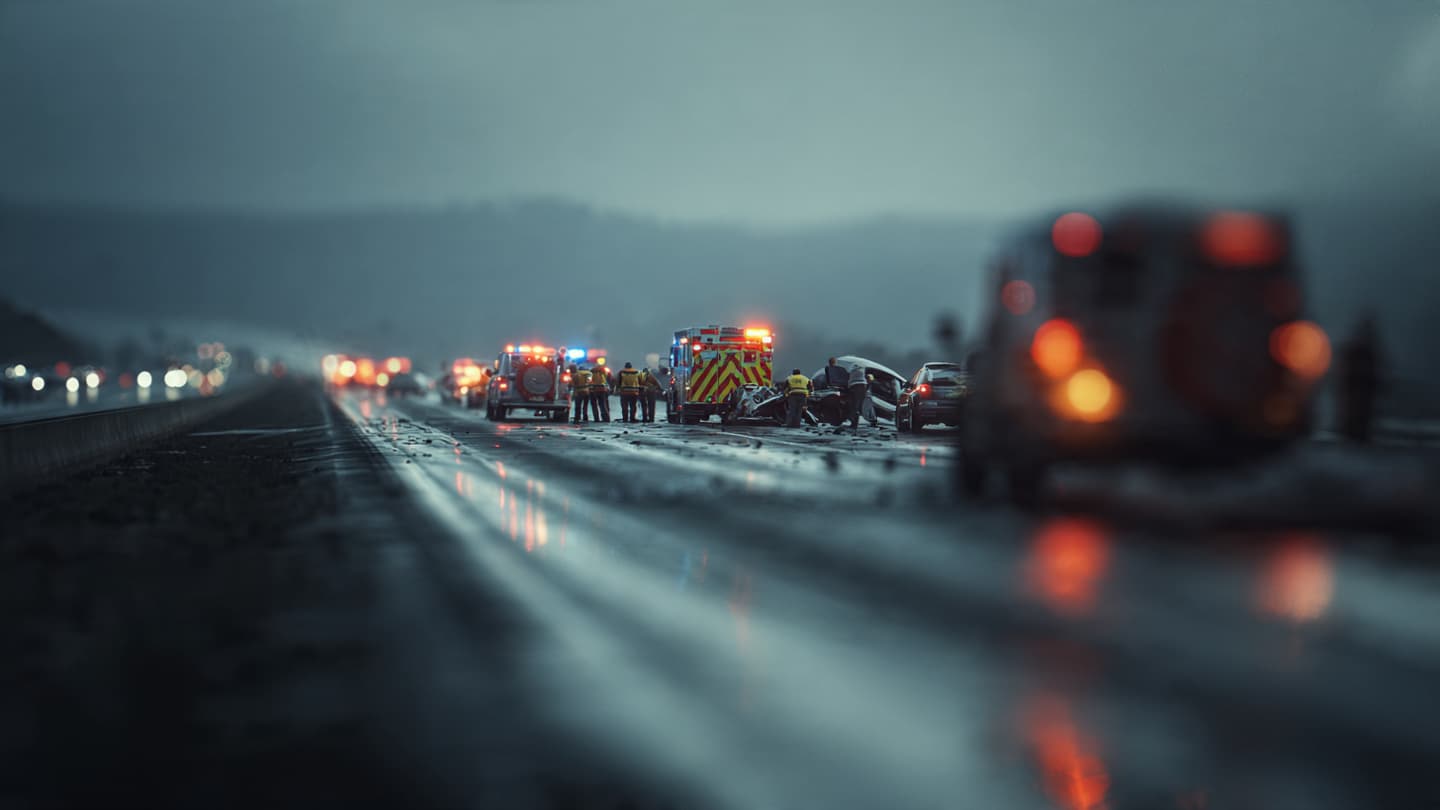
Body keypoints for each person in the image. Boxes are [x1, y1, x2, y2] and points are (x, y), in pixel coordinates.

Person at [1337, 314, 1382, 442]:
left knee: (1359, 412)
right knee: (1356, 411)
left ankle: (1355, 431)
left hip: (1360, 390)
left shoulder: (1363, 352)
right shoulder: (1363, 352)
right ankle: (1354, 431)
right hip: (1357, 389)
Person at [837, 362, 869, 434]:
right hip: (863, 386)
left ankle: (853, 425)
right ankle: (854, 424)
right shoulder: (862, 370)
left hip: (854, 386)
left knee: (854, 406)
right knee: (858, 405)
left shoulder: (851, 370)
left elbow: (847, 379)